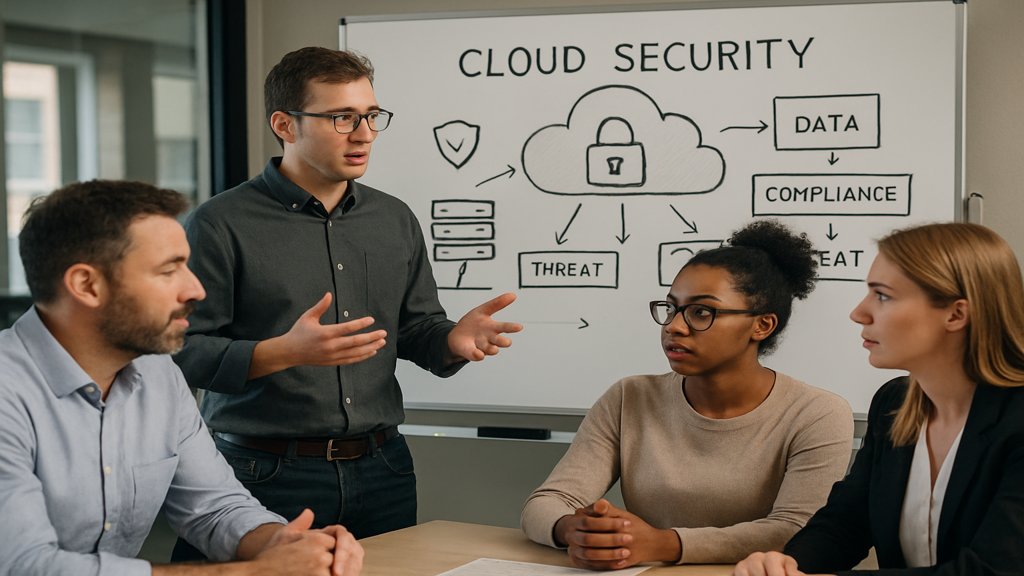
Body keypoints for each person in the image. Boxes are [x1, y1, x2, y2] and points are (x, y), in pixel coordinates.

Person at [172, 46, 522, 552]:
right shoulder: (220, 223)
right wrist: (280, 353)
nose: (364, 134)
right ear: (285, 125)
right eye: (342, 118)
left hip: (383, 469)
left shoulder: (394, 219)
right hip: (263, 474)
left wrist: (451, 340)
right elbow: (179, 350)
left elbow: (416, 329)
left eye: (371, 116)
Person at [0, 180, 363, 576]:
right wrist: (252, 572)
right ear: (87, 285)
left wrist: (286, 542)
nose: (195, 290)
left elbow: (215, 507)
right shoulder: (8, 389)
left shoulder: (158, 373)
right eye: (168, 270)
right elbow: (24, 565)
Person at [521, 220, 854, 570]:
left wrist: (664, 544)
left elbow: (795, 530)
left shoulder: (817, 413)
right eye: (671, 309)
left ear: (762, 325)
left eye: (701, 312)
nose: (674, 326)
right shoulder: (629, 397)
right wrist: (574, 529)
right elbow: (548, 501)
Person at [734, 222, 1024, 576]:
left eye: (883, 296)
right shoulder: (894, 403)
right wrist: (785, 565)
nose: (859, 313)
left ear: (956, 314)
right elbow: (845, 524)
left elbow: (993, 570)